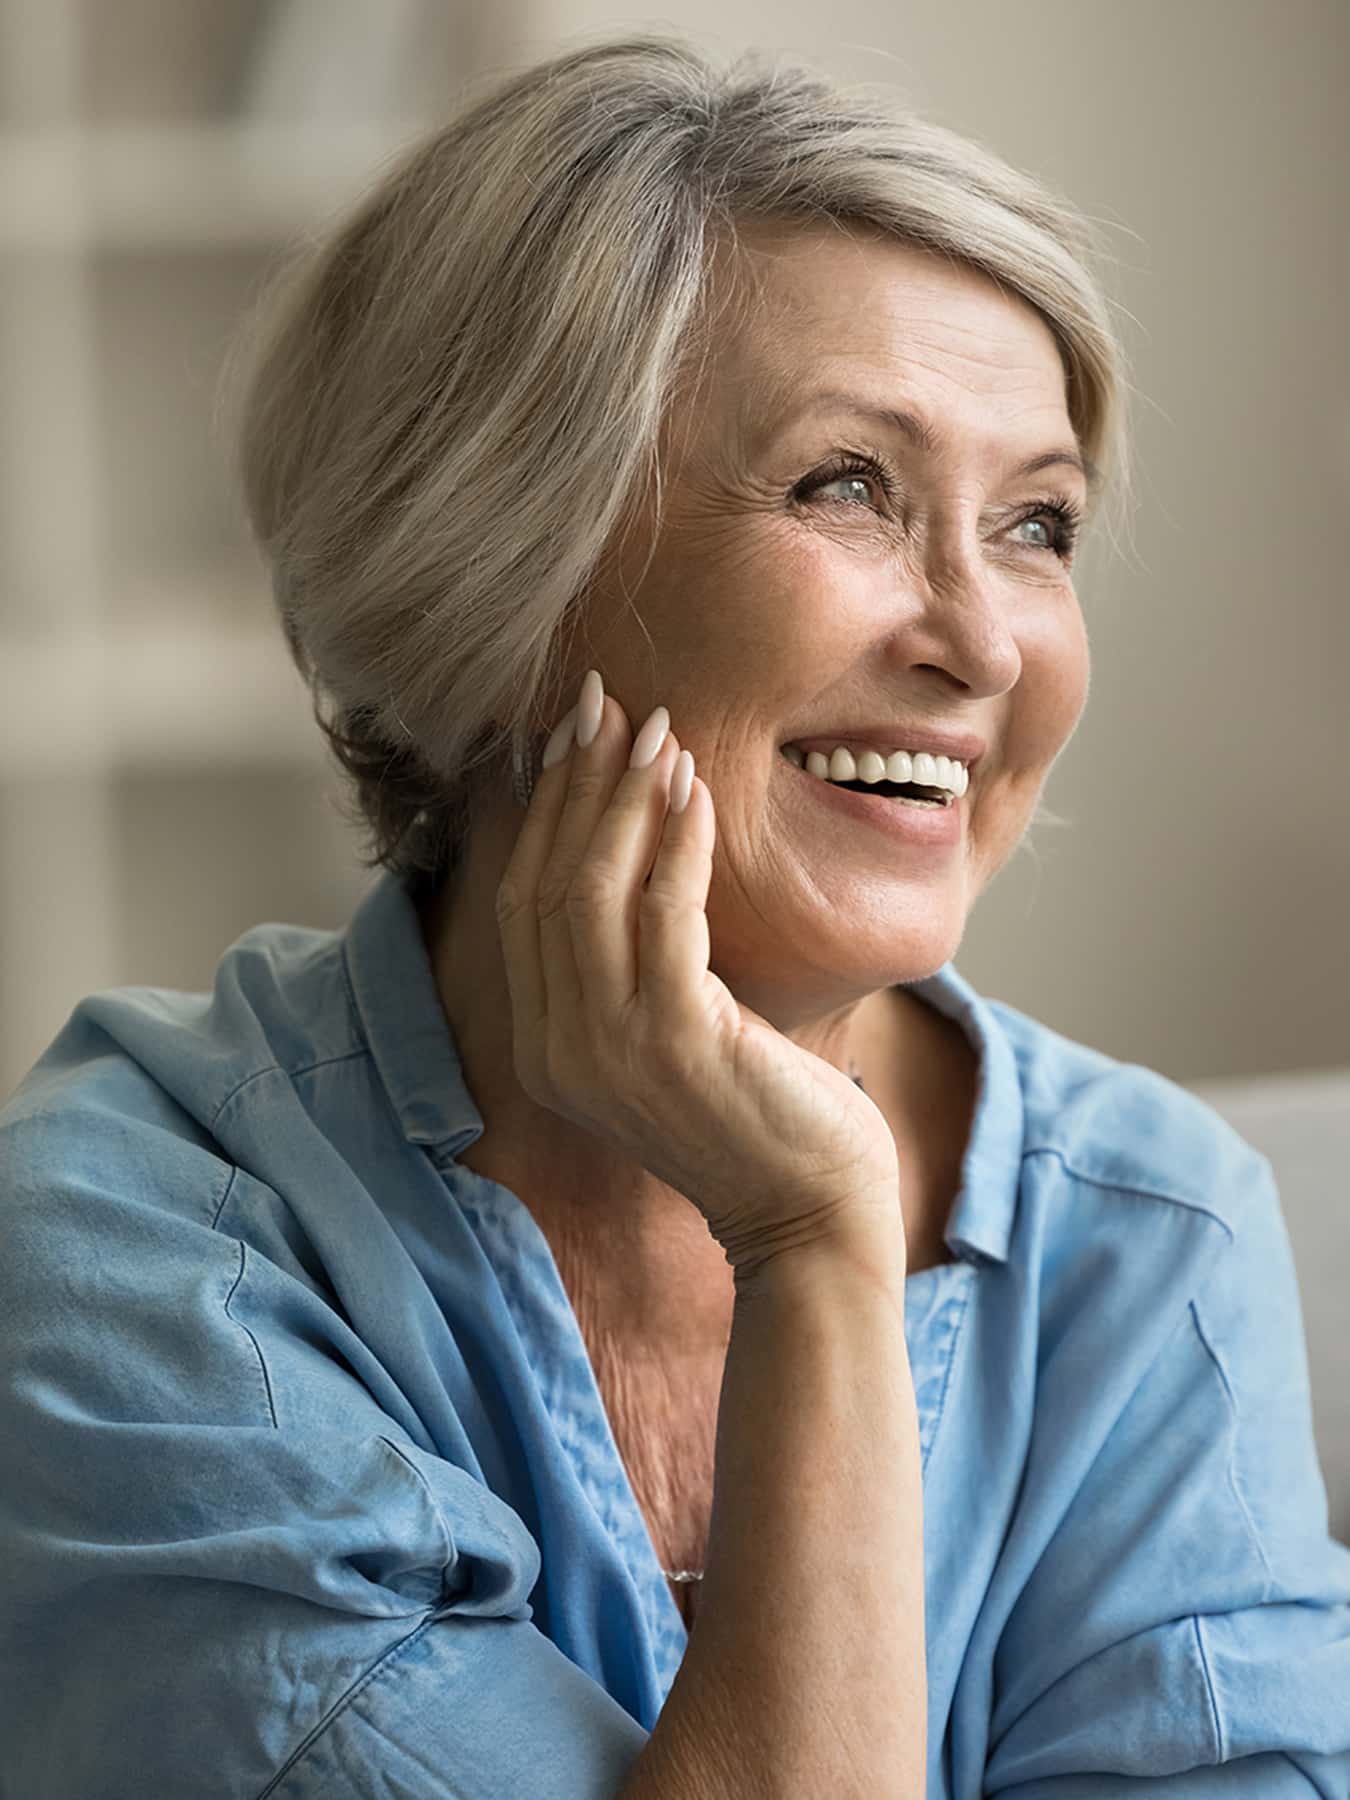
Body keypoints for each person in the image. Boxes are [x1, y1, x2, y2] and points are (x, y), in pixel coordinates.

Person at [1, 31, 1346, 1800]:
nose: (984, 643)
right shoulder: (128, 1262)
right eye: (845, 485)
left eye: (1035, 525)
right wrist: (809, 1237)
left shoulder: (1149, 1231)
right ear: (495, 563)